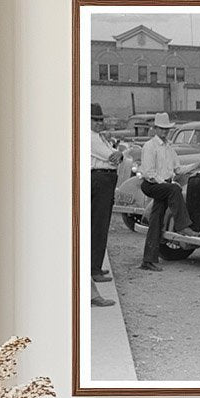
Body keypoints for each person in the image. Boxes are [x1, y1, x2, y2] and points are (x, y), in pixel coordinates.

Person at [138, 112, 199, 271]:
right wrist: (167, 184)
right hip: (151, 184)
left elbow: (178, 169)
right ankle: (183, 226)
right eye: (162, 129)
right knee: (174, 189)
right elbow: (149, 174)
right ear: (155, 129)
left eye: (167, 129)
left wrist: (196, 165)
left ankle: (148, 260)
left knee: (156, 219)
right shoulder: (150, 146)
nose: (165, 132)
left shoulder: (169, 147)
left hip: (162, 187)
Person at [90, 103, 122, 283]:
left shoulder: (99, 137)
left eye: (100, 120)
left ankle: (96, 265)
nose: (98, 123)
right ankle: (93, 268)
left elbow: (117, 155)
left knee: (101, 225)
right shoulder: (92, 138)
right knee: (98, 225)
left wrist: (118, 155)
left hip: (106, 179)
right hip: (99, 178)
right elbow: (112, 157)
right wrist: (117, 155)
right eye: (95, 120)